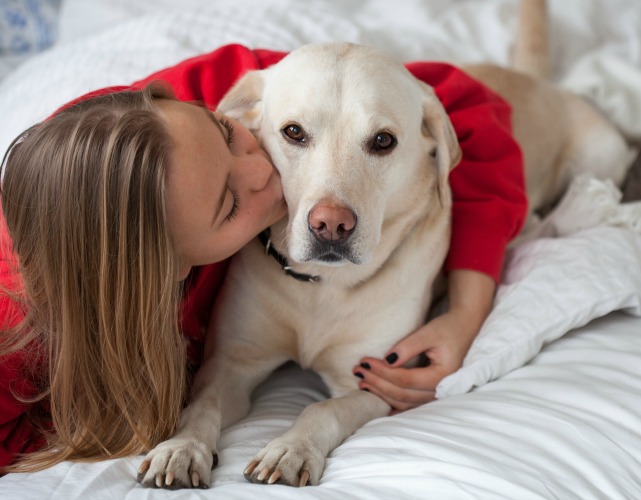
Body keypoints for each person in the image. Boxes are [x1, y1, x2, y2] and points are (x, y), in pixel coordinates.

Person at [0, 44, 527, 472]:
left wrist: (465, 310)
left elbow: (464, 103)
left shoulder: (213, 99)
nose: (263, 174)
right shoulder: (21, 343)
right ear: (173, 267)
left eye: (230, 135)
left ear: (228, 112)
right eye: (230, 203)